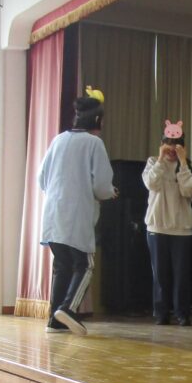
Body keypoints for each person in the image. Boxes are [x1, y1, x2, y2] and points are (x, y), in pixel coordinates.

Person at [39, 86, 117, 336]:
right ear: (98, 120)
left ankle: (54, 321)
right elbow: (102, 186)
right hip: (76, 216)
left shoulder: (58, 140)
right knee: (84, 265)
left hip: (52, 215)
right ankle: (68, 309)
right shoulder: (94, 143)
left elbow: (42, 179)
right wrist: (110, 192)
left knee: (61, 266)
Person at [143, 119, 192, 326]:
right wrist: (160, 159)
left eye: (176, 144)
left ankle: (182, 313)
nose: (171, 148)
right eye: (168, 143)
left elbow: (189, 190)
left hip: (181, 229)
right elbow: (151, 183)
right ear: (161, 144)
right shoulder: (153, 162)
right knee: (160, 274)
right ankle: (161, 313)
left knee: (181, 275)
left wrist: (183, 163)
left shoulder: (188, 165)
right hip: (157, 227)